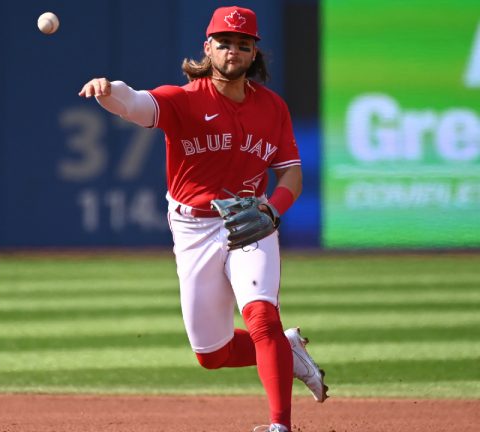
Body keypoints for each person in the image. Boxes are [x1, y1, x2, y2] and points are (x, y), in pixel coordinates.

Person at [78, 5, 327, 432]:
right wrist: (108, 90)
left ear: (254, 54)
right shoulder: (185, 99)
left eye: (242, 45)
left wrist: (272, 208)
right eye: (224, 43)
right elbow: (137, 105)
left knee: (262, 316)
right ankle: (288, 351)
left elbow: (291, 173)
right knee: (211, 354)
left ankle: (279, 425)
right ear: (207, 48)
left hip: (250, 221)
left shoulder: (272, 108)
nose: (233, 52)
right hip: (193, 228)